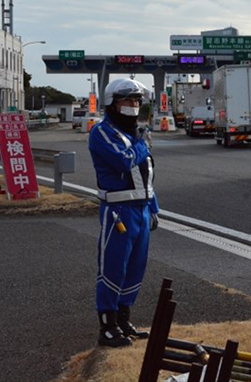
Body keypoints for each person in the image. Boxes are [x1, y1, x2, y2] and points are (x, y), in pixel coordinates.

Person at [89, 78, 160, 347]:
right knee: (113, 268)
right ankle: (107, 326)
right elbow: (125, 159)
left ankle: (123, 318)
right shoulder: (102, 132)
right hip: (118, 211)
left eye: (137, 101)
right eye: (128, 100)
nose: (134, 105)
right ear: (112, 103)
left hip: (140, 209)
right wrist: (143, 145)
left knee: (135, 268)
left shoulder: (134, 135)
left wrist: (154, 208)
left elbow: (146, 176)